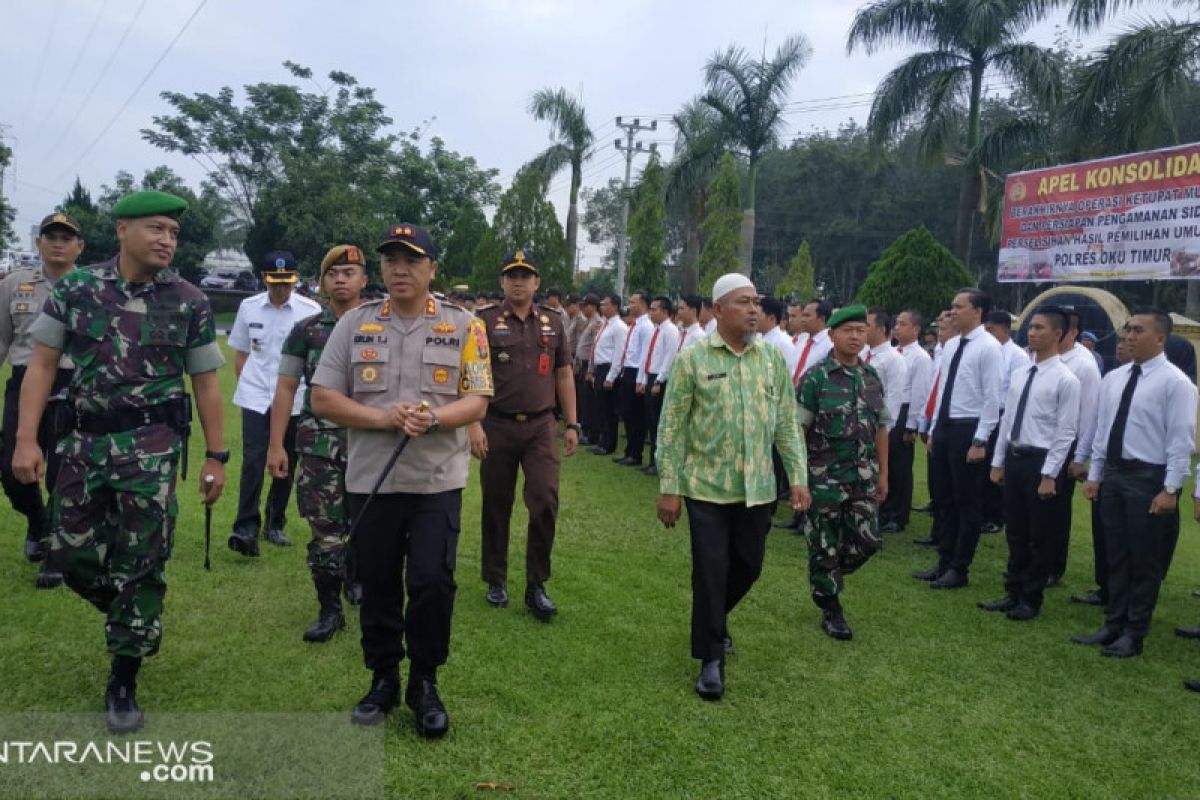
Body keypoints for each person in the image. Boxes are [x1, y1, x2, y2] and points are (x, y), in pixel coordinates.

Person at [13, 190, 226, 734]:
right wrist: (26, 439)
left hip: (151, 449)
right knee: (67, 551)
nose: (166, 240)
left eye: (173, 233)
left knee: (143, 558)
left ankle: (124, 675)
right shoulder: (78, 290)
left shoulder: (189, 300)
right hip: (82, 444)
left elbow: (205, 383)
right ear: (122, 230)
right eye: (156, 229)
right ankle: (130, 611)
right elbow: (40, 367)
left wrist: (217, 457)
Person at [310, 223, 491, 736]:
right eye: (391, 260)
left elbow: (477, 401)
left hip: (436, 480)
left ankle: (425, 681)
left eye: (411, 260)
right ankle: (384, 677)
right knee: (379, 582)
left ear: (433, 269)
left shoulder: (465, 326)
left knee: (433, 582)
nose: (399, 269)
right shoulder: (355, 324)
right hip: (372, 481)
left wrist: (434, 419)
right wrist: (384, 417)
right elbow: (322, 397)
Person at [656, 273, 809, 701]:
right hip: (705, 486)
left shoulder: (771, 360)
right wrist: (669, 486)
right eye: (744, 302)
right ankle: (710, 660)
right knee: (711, 570)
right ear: (719, 310)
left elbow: (785, 423)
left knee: (750, 565)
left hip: (757, 488)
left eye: (757, 301)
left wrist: (797, 476)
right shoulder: (693, 358)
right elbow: (671, 427)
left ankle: (713, 620)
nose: (755, 309)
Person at [1073, 309, 1197, 658]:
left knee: (1145, 560)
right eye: (1127, 329)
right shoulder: (1115, 378)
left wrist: (1170, 489)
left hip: (1148, 477)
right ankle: (1113, 623)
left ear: (1160, 338)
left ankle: (1134, 631)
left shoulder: (1176, 383)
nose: (1128, 336)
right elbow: (1103, 429)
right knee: (1116, 553)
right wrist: (1096, 475)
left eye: (1137, 330)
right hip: (1113, 474)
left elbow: (1180, 441)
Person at [267, 245, 368, 642]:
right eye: (333, 274)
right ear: (322, 282)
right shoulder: (306, 331)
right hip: (319, 446)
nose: (340, 279)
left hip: (369, 442)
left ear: (364, 280)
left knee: (367, 523)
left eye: (349, 272)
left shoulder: (381, 325)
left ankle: (357, 579)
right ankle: (329, 610)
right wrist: (277, 445)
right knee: (325, 527)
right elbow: (286, 387)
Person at [471, 251, 578, 619]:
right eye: (511, 275)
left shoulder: (553, 323)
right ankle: (496, 579)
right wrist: (473, 425)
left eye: (525, 275)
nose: (518, 282)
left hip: (541, 427)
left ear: (536, 282)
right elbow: (471, 374)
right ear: (502, 282)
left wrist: (573, 424)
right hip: (497, 424)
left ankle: (536, 583)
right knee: (496, 504)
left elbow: (563, 374)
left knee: (545, 501)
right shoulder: (483, 322)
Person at [0, 212, 84, 589]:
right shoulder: (14, 285)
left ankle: (54, 552)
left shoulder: (91, 286)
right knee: (12, 469)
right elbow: (2, 339)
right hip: (24, 383)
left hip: (74, 383)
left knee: (63, 473)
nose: (58, 243)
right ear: (39, 243)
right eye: (51, 236)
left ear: (79, 246)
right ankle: (37, 520)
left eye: (67, 237)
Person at [981, 308, 1080, 621]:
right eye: (1031, 327)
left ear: (1057, 334)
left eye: (1039, 328)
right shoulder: (1023, 372)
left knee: (1040, 534)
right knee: (1017, 531)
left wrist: (1050, 474)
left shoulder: (1066, 379)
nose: (1032, 333)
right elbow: (1008, 419)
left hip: (1041, 459)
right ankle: (1013, 590)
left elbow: (1066, 432)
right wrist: (998, 461)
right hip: (1016, 455)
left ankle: (1031, 597)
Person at [797, 305, 887, 640]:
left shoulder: (871, 377)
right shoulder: (816, 378)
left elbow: (881, 428)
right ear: (832, 335)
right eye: (847, 330)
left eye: (860, 331)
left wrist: (884, 475)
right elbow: (798, 432)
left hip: (862, 476)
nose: (854, 336)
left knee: (868, 541)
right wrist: (798, 479)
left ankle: (828, 573)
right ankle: (831, 607)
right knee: (824, 542)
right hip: (824, 479)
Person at [227, 251, 321, 556]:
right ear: (264, 279)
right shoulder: (248, 306)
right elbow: (241, 354)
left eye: (286, 282)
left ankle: (275, 522)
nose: (280, 289)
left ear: (294, 280)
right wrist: (249, 385)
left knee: (287, 461)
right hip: (256, 395)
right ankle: (246, 527)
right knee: (253, 460)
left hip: (294, 398)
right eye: (274, 282)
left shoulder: (310, 310)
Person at [913, 289, 1002, 589]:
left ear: (977, 312)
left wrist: (980, 441)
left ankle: (959, 567)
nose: (952, 312)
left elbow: (992, 398)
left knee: (967, 501)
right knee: (944, 497)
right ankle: (944, 559)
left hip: (969, 427)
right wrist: (935, 428)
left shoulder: (989, 347)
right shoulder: (951, 346)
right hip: (946, 427)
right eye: (951, 307)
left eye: (958, 307)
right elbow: (942, 393)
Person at [981, 311, 1031, 533]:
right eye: (986, 329)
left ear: (1005, 329)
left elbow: (1017, 391)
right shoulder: (986, 350)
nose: (988, 333)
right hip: (986, 412)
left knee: (996, 462)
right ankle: (984, 511)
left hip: (1004, 414)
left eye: (992, 329)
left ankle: (996, 515)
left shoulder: (1017, 355)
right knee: (983, 467)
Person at [883, 309, 932, 533]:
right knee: (885, 463)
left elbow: (920, 394)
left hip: (905, 413)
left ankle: (898, 515)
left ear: (915, 329)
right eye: (896, 323)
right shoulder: (893, 352)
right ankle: (884, 509)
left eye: (903, 324)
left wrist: (911, 426)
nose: (897, 328)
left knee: (900, 466)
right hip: (888, 408)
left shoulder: (920, 357)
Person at [637, 296, 681, 476]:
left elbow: (669, 358)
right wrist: (643, 379)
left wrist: (658, 381)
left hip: (659, 379)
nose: (650, 313)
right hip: (651, 376)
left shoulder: (670, 330)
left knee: (658, 423)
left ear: (664, 311)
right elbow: (650, 355)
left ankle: (659, 462)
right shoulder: (656, 330)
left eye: (654, 309)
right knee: (650, 421)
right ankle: (652, 460)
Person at [609, 291, 653, 467]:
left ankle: (636, 454)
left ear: (642, 304)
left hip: (637, 372)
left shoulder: (646, 326)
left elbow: (644, 355)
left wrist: (641, 379)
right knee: (627, 413)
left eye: (633, 302)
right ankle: (630, 450)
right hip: (628, 371)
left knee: (636, 415)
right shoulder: (634, 325)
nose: (629, 305)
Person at [588, 294, 626, 456]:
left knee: (609, 409)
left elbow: (619, 353)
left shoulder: (619, 327)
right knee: (601, 407)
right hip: (600, 368)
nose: (602, 307)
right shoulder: (606, 324)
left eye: (605, 304)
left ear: (615, 306)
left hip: (609, 369)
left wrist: (611, 376)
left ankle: (609, 444)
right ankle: (602, 441)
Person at [573, 294, 603, 446]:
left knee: (589, 402)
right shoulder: (588, 322)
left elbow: (594, 348)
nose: (583, 308)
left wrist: (590, 369)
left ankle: (591, 432)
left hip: (590, 365)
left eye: (586, 305)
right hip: (582, 363)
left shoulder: (598, 322)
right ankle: (585, 430)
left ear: (593, 306)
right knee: (583, 400)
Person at [791, 299, 832, 385]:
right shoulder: (802, 341)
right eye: (803, 315)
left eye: (807, 316)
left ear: (822, 319)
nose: (802, 319)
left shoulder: (830, 344)